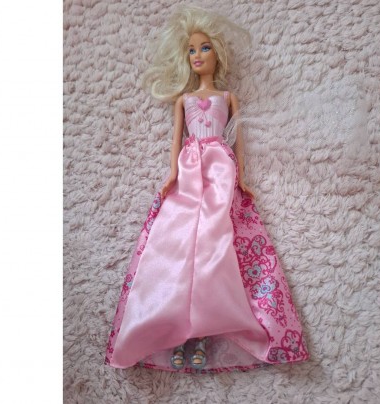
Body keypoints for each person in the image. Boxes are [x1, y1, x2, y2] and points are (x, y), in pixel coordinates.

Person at [105, 5, 309, 373]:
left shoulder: (228, 97)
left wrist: (242, 178)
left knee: (216, 239)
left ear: (217, 53)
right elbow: (175, 139)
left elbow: (238, 139)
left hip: (219, 164)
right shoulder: (183, 100)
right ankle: (174, 333)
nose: (197, 55)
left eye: (204, 48)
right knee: (178, 242)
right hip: (189, 166)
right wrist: (171, 174)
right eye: (191, 50)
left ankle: (204, 332)